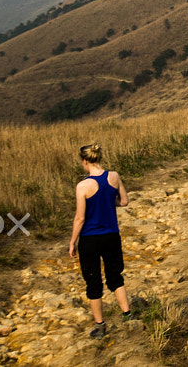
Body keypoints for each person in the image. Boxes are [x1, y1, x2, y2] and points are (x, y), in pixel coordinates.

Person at [68, 143, 132, 338]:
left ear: (85, 161)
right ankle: (128, 315)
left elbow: (80, 218)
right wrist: (106, 202)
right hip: (111, 235)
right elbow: (124, 201)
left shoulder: (83, 186)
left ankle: (100, 325)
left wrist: (72, 242)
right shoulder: (114, 177)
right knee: (115, 275)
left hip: (90, 239)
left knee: (93, 281)